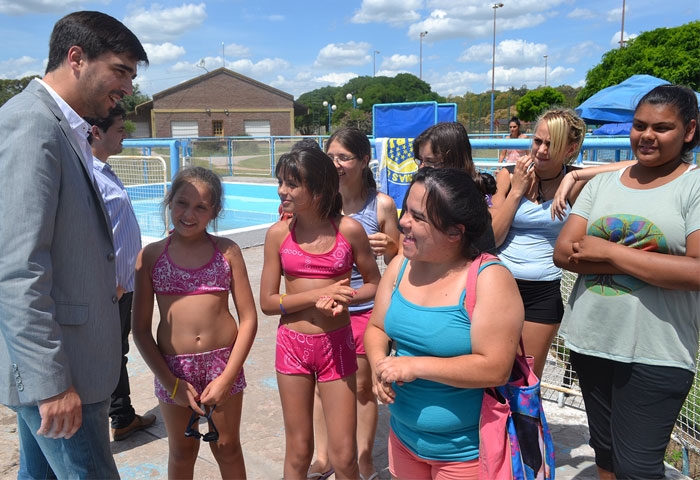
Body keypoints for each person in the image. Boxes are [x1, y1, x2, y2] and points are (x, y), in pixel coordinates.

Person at [0, 11, 147, 478]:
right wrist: (51, 384)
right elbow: (18, 267)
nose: (127, 88)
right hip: (63, 373)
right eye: (120, 71)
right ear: (77, 58)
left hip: (67, 365)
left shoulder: (65, 127)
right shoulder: (32, 126)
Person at [553, 84, 700, 479]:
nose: (647, 136)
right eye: (638, 126)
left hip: (657, 349)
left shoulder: (693, 186)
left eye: (662, 128)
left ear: (689, 131)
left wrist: (611, 253)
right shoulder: (602, 183)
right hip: (591, 340)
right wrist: (655, 265)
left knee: (638, 466)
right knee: (605, 452)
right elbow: (565, 253)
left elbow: (696, 272)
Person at [364, 167, 523, 480]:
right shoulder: (400, 265)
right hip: (404, 438)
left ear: (455, 232)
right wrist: (378, 365)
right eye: (405, 211)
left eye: (418, 217)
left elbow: (495, 367)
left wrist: (416, 367)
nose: (403, 223)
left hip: (466, 453)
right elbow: (377, 328)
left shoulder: (489, 279)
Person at [259, 148, 381, 479]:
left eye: (292, 184)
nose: (283, 190)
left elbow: (375, 284)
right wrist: (317, 295)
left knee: (343, 457)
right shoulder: (278, 235)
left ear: (319, 188)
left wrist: (347, 298)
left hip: (337, 346)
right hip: (292, 347)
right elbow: (268, 303)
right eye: (281, 182)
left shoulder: (349, 230)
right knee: (298, 452)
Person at [132, 166, 258, 478]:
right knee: (182, 451)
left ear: (215, 211)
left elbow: (249, 318)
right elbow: (141, 331)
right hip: (174, 370)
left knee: (227, 447)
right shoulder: (150, 256)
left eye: (201, 207)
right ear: (169, 202)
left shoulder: (227, 252)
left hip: (222, 365)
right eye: (182, 203)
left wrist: (227, 377)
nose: (189, 214)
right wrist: (170, 382)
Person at [308, 127, 400, 480]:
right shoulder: (318, 201)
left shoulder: (382, 205)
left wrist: (390, 248)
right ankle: (323, 455)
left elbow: (397, 265)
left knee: (363, 387)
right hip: (324, 307)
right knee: (320, 384)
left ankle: (364, 456)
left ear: (364, 161)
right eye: (331, 156)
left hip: (364, 308)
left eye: (344, 157)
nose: (336, 164)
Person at [489, 108, 585, 379]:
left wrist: (573, 177)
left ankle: (526, 424)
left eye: (551, 144)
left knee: (527, 381)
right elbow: (493, 237)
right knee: (490, 375)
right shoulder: (508, 176)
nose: (541, 150)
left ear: (571, 148)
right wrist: (517, 191)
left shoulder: (577, 183)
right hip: (499, 287)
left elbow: (627, 168)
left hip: (543, 292)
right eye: (537, 141)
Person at [85, 104, 157, 441]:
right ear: (96, 133)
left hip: (122, 285)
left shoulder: (105, 170)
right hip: (110, 289)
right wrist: (108, 283)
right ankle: (109, 419)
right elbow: (86, 235)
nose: (124, 133)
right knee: (108, 354)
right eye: (118, 128)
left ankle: (122, 415)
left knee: (117, 352)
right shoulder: (89, 176)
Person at [406, 121, 497, 252]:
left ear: (454, 162)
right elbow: (402, 248)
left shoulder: (471, 208)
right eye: (420, 160)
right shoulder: (415, 193)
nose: (421, 167)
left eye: (430, 162)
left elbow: (484, 257)